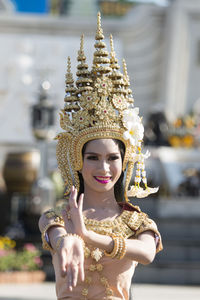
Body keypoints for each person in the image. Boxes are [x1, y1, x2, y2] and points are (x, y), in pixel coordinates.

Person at [39, 12, 163, 300]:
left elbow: (146, 253)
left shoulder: (136, 222)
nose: (104, 167)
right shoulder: (57, 217)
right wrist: (68, 240)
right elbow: (57, 237)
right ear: (76, 159)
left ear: (125, 160)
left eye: (112, 158)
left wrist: (87, 237)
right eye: (93, 157)